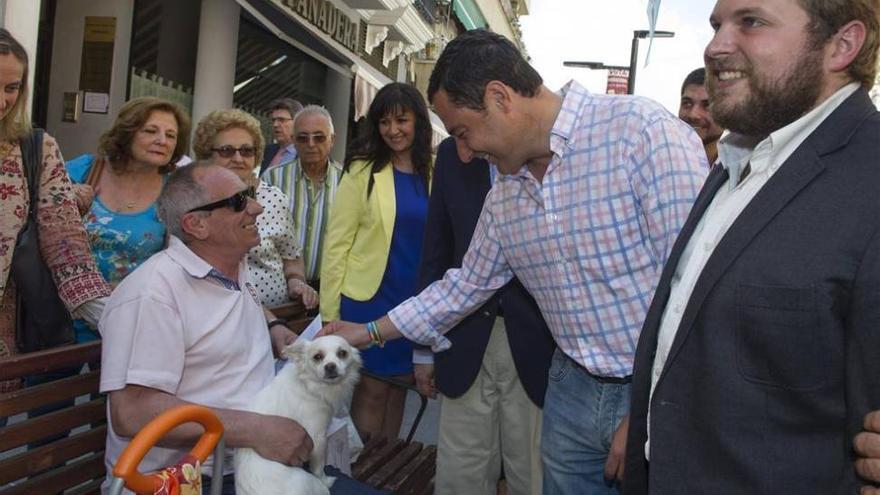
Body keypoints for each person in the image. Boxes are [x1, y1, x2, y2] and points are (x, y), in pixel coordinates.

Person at [321, 29, 706, 494]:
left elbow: (696, 290)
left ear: (499, 97)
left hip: (652, 388)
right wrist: (366, 332)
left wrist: (647, 405)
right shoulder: (506, 193)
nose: (463, 152)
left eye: (463, 132)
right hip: (569, 387)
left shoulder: (644, 134)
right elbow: (464, 286)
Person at [620, 1, 880, 493]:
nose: (716, 45)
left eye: (751, 22)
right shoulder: (737, 160)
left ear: (842, 45)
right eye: (717, 24)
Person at [99, 162, 380, 495]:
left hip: (254, 464)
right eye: (238, 201)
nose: (257, 207)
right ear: (196, 224)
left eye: (250, 194)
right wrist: (258, 430)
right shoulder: (153, 294)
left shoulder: (230, 269)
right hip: (191, 480)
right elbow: (132, 413)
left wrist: (273, 325)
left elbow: (217, 321)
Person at [416, 136, 555, 495]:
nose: (464, 149)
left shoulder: (548, 146)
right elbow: (437, 246)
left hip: (540, 341)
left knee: (534, 474)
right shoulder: (451, 153)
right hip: (462, 338)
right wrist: (422, 347)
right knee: (460, 475)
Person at [320, 83, 433, 443]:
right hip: (367, 300)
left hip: (413, 301)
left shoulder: (434, 172)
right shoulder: (361, 170)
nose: (393, 130)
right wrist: (329, 314)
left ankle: (385, 471)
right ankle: (362, 472)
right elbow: (337, 244)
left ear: (419, 122)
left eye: (402, 119)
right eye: (384, 122)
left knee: (401, 387)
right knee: (371, 390)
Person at [0, 27, 109, 393]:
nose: (2, 100)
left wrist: (108, 316)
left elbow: (65, 242)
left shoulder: (36, 148)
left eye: (11, 88)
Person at [66, 96, 191, 342]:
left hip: (133, 327)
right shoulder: (84, 170)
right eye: (151, 131)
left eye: (171, 135)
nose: (161, 141)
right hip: (60, 319)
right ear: (127, 132)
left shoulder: (178, 192)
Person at [193, 108, 317, 309]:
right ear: (207, 154)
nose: (238, 158)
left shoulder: (274, 198)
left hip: (277, 317)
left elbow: (291, 259)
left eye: (246, 151)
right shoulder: (193, 200)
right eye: (227, 151)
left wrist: (297, 283)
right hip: (213, 316)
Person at [262, 105, 342, 290]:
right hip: (279, 287)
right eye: (303, 138)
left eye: (319, 137)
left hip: (329, 291)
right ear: (293, 141)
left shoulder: (347, 182)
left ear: (332, 140)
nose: (311, 144)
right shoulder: (272, 178)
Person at [678, 67, 723, 164]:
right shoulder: (661, 162)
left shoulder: (736, 170)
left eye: (707, 105)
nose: (693, 115)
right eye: (687, 104)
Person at [259, 97, 303, 175]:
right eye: (273, 120)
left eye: (282, 120)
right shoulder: (268, 150)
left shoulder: (306, 154)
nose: (275, 125)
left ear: (298, 122)